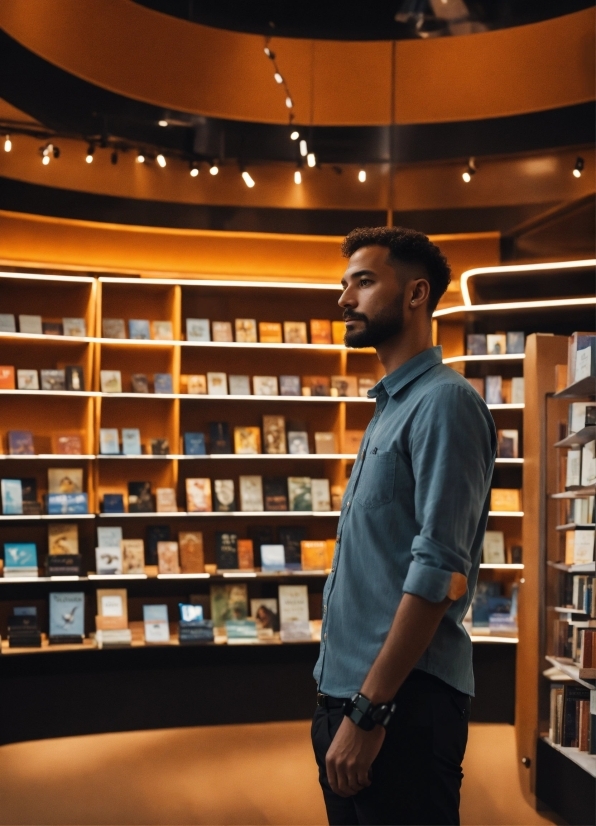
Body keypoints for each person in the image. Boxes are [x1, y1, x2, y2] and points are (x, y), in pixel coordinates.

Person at [312, 227, 496, 826]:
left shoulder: (445, 403)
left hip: (398, 708)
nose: (344, 299)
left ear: (417, 294)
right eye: (345, 284)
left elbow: (438, 572)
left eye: (363, 282)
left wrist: (370, 713)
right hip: (349, 696)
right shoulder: (389, 408)